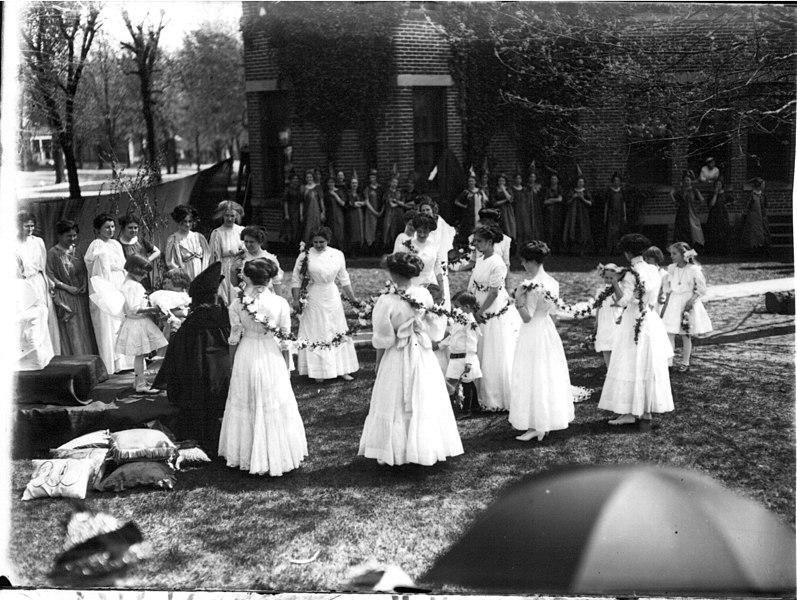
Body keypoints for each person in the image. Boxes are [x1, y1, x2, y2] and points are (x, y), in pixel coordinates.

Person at [358, 253, 464, 466]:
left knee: (394, 399)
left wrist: (379, 362)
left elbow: (383, 338)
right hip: (422, 352)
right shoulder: (424, 294)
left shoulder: (386, 300)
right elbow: (433, 326)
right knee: (422, 395)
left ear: (394, 273)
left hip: (398, 351)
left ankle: (398, 451)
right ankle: (423, 447)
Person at [218, 258, 308, 476]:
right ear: (270, 278)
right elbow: (286, 340)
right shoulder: (279, 303)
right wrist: (287, 367)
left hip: (246, 354)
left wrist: (232, 366)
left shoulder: (237, 303)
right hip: (271, 354)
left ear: (247, 277)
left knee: (246, 400)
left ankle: (247, 454)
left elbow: (234, 338)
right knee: (273, 401)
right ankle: (274, 453)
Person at [151, 262, 231, 455]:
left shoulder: (195, 320)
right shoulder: (223, 313)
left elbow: (178, 353)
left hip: (198, 374)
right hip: (222, 373)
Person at [597, 233, 674, 427]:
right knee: (646, 362)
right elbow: (653, 296)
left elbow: (623, 301)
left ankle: (630, 411)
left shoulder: (631, 273)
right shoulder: (653, 269)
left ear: (627, 252)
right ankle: (644, 410)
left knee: (629, 361)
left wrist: (615, 282)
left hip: (633, 320)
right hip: (650, 318)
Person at [509, 241, 575, 442]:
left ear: (531, 262)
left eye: (524, 261)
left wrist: (517, 299)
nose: (522, 265)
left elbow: (526, 317)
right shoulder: (553, 282)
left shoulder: (528, 286)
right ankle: (543, 422)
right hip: (547, 329)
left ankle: (537, 425)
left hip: (532, 331)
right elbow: (553, 314)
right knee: (545, 373)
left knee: (532, 374)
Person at [291, 226, 359, 383]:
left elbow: (344, 278)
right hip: (314, 296)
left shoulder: (337, 254)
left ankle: (342, 369)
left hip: (332, 294)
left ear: (328, 241)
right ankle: (318, 371)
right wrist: (295, 300)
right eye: (315, 242)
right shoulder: (304, 256)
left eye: (322, 242)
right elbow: (296, 279)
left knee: (336, 327)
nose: (318, 245)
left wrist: (353, 298)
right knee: (317, 328)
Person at [468, 223, 521, 412]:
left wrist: (480, 312)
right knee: (480, 348)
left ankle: (495, 395)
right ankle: (477, 392)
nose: (476, 245)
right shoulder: (481, 259)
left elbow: (493, 293)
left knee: (493, 348)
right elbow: (474, 283)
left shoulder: (497, 263)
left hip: (490, 307)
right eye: (475, 241)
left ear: (490, 242)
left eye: (479, 241)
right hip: (478, 303)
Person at [85, 213, 133, 375]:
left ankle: (126, 361)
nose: (111, 230)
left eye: (112, 226)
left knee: (121, 322)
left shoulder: (116, 244)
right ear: (98, 229)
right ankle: (111, 363)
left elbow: (123, 265)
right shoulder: (96, 245)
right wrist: (106, 290)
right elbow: (97, 271)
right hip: (105, 285)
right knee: (108, 323)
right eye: (106, 227)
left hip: (119, 281)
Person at [115, 255, 168, 393]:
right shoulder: (133, 286)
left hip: (136, 322)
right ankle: (140, 384)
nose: (145, 276)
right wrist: (153, 309)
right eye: (143, 273)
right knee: (140, 354)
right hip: (137, 323)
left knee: (141, 354)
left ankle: (139, 381)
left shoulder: (128, 283)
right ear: (136, 270)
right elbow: (133, 308)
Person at [46, 220, 98, 356]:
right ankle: (75, 359)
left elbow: (83, 270)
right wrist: (68, 288)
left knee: (84, 328)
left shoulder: (77, 250)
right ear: (60, 236)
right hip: (65, 296)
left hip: (80, 295)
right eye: (69, 236)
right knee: (72, 330)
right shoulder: (53, 253)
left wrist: (84, 285)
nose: (72, 239)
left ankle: (87, 358)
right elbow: (50, 276)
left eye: (74, 235)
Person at [661, 243, 712, 373]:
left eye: (674, 253)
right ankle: (668, 362)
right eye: (671, 253)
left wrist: (691, 301)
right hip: (674, 302)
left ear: (683, 255)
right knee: (669, 333)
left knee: (685, 334)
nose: (671, 256)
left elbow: (701, 288)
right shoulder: (672, 268)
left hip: (687, 302)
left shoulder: (693, 269)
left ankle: (685, 362)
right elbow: (668, 287)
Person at [16, 211, 60, 354]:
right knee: (31, 318)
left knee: (45, 314)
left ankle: (50, 352)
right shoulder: (14, 244)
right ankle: (34, 354)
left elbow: (43, 265)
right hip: (24, 284)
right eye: (26, 226)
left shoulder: (38, 241)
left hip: (39, 282)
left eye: (32, 226)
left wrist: (48, 282)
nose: (29, 229)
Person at [439, 290, 482, 416]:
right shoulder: (460, 320)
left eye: (458, 307)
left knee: (467, 383)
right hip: (455, 358)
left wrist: (469, 361)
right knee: (453, 381)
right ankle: (470, 406)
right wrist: (440, 345)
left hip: (465, 358)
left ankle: (467, 409)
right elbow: (452, 336)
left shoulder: (471, 323)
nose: (456, 310)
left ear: (467, 307)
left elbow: (472, 342)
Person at [208, 200, 246, 306]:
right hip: (224, 269)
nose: (229, 219)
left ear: (237, 216)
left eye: (232, 216)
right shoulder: (217, 233)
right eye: (226, 216)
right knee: (225, 299)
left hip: (240, 268)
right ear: (222, 216)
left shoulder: (242, 231)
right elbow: (214, 257)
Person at [229, 226, 284, 295]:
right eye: (246, 241)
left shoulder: (269, 258)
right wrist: (233, 270)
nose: (248, 245)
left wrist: (279, 300)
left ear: (260, 242)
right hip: (245, 295)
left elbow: (276, 282)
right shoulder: (240, 257)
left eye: (251, 242)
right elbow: (235, 284)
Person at [117, 213, 161, 292]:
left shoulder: (140, 241)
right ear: (123, 228)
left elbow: (157, 251)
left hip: (143, 276)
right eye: (130, 228)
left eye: (135, 228)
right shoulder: (118, 244)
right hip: (128, 277)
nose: (133, 230)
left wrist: (146, 261)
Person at [165, 204, 210, 280]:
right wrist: (181, 275)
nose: (187, 224)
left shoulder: (199, 237)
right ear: (179, 222)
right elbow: (170, 261)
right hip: (185, 273)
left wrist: (204, 273)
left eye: (190, 221)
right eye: (184, 222)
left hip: (200, 272)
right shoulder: (174, 239)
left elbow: (207, 256)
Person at [593, 263, 623, 368]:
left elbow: (622, 300)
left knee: (615, 344)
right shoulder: (600, 291)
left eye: (612, 278)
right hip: (603, 320)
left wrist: (616, 285)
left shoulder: (618, 289)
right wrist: (597, 321)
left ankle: (616, 369)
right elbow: (598, 307)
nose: (609, 280)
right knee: (605, 345)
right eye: (606, 277)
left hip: (614, 319)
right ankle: (608, 368)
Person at [409, 214, 444, 302]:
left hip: (431, 284)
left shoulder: (434, 246)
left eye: (425, 232)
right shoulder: (408, 245)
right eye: (419, 231)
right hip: (413, 284)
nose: (422, 234)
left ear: (429, 231)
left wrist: (441, 288)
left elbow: (437, 268)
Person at [671, 172, 705, 248]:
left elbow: (701, 200)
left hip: (691, 214)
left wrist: (696, 208)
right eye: (685, 180)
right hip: (681, 214)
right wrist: (671, 195)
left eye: (688, 180)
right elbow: (676, 203)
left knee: (691, 231)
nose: (686, 182)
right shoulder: (680, 191)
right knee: (681, 232)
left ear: (690, 181)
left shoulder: (694, 191)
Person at [562, 176, 594, 255]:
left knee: (582, 230)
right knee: (572, 229)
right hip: (573, 214)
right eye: (579, 182)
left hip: (583, 214)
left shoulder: (586, 192)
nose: (580, 183)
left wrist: (582, 198)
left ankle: (582, 249)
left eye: (582, 182)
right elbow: (567, 203)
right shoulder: (572, 191)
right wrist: (573, 197)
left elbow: (590, 203)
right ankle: (572, 249)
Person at [704, 178, 734, 255]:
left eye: (719, 184)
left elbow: (733, 201)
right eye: (717, 184)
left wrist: (728, 205)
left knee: (723, 232)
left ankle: (723, 250)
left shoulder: (725, 194)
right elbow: (711, 204)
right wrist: (715, 194)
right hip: (714, 215)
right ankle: (713, 250)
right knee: (713, 232)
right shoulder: (712, 194)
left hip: (722, 215)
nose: (718, 186)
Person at [741, 177, 771, 255]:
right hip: (754, 217)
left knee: (763, 232)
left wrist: (765, 213)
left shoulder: (763, 195)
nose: (764, 186)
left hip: (762, 217)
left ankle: (763, 248)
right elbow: (747, 206)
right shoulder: (752, 195)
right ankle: (753, 249)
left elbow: (766, 205)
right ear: (759, 185)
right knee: (753, 233)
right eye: (763, 184)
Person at [604, 172, 627, 254]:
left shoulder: (621, 191)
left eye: (618, 181)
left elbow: (623, 203)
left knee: (618, 232)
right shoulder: (610, 192)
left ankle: (616, 249)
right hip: (611, 214)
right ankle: (609, 249)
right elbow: (606, 204)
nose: (616, 182)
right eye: (615, 180)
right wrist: (605, 215)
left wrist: (625, 215)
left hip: (619, 214)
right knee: (610, 232)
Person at [453, 173, 483, 238]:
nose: (471, 183)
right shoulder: (466, 192)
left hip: (479, 212)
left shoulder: (480, 191)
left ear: (475, 182)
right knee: (470, 229)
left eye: (472, 181)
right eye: (469, 181)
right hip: (470, 214)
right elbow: (456, 201)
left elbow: (485, 201)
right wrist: (464, 206)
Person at [382, 175, 408, 248]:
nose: (394, 184)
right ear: (390, 182)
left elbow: (403, 203)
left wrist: (396, 202)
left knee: (397, 227)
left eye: (396, 182)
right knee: (388, 227)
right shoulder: (387, 192)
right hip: (389, 212)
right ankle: (388, 244)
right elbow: (389, 203)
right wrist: (395, 203)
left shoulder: (399, 192)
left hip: (398, 213)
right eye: (393, 182)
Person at [642, 246, 669, 315]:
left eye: (649, 258)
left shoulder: (663, 274)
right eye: (645, 258)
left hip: (658, 302)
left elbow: (666, 290)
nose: (646, 261)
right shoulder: (643, 272)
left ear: (656, 258)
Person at [302, 169, 325, 243]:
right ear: (305, 179)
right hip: (307, 211)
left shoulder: (318, 187)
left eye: (311, 177)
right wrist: (301, 214)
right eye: (308, 177)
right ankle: (308, 244)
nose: (309, 179)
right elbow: (301, 202)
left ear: (313, 178)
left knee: (317, 227)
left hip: (317, 211)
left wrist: (323, 212)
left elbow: (321, 201)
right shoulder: (303, 188)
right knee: (308, 227)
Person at [543, 174, 565, 253]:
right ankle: (549, 247)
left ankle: (557, 248)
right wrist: (555, 199)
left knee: (558, 229)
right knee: (549, 230)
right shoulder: (547, 189)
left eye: (555, 179)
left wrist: (551, 200)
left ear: (557, 180)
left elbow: (561, 199)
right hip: (549, 212)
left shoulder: (560, 189)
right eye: (552, 179)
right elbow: (545, 201)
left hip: (558, 212)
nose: (553, 180)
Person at [364, 169, 384, 253]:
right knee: (371, 230)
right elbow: (366, 201)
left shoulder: (381, 188)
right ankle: (370, 249)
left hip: (381, 212)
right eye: (370, 177)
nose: (372, 179)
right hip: (371, 212)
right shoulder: (367, 189)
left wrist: (382, 211)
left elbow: (384, 200)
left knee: (379, 230)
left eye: (373, 177)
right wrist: (374, 212)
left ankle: (378, 249)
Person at [492, 174, 517, 241]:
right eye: (500, 180)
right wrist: (505, 200)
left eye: (503, 181)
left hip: (507, 211)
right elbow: (495, 203)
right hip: (498, 210)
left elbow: (510, 199)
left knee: (508, 227)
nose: (501, 182)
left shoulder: (508, 189)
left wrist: (504, 190)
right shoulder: (494, 190)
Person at [282, 170, 304, 245]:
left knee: (297, 228)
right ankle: (289, 243)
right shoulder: (288, 189)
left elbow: (301, 202)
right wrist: (286, 214)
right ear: (291, 180)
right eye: (294, 179)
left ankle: (295, 243)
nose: (295, 180)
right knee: (289, 228)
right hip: (290, 209)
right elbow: (286, 202)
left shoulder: (299, 189)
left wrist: (301, 214)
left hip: (297, 210)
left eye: (296, 179)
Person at [346, 173, 366, 252]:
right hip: (351, 214)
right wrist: (355, 204)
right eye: (353, 183)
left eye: (356, 183)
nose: (354, 184)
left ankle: (359, 249)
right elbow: (348, 203)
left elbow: (364, 202)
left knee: (360, 231)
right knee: (352, 230)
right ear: (350, 184)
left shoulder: (360, 193)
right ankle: (352, 250)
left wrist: (359, 203)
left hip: (359, 213)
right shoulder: (348, 193)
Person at [325, 175, 347, 247]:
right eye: (329, 182)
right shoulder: (326, 193)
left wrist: (334, 194)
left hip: (338, 214)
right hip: (330, 215)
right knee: (331, 231)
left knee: (339, 231)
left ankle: (340, 248)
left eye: (332, 182)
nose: (331, 184)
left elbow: (343, 203)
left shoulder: (339, 191)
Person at [512, 172, 531, 247]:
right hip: (515, 211)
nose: (518, 180)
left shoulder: (525, 190)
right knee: (518, 231)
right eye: (516, 178)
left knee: (526, 230)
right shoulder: (512, 189)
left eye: (519, 178)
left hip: (524, 212)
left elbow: (528, 201)